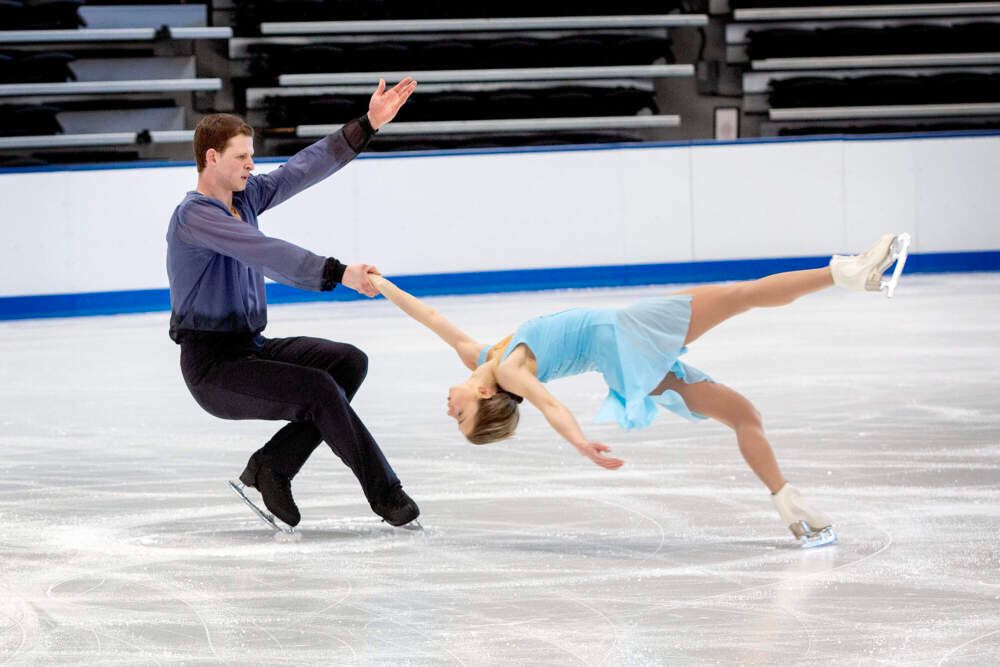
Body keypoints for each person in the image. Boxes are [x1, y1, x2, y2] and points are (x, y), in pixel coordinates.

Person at [366, 233, 911, 547]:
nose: (450, 411)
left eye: (455, 417)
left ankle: (789, 504)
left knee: (743, 414)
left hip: (629, 363)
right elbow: (551, 405)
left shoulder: (482, 357)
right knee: (740, 295)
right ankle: (845, 274)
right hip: (627, 334)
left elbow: (431, 317)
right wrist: (581, 444)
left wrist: (380, 283)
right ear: (486, 398)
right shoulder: (509, 373)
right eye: (460, 418)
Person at [166, 78, 420, 530]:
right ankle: (387, 494)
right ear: (212, 158)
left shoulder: (246, 198)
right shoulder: (195, 217)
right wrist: (338, 272)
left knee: (347, 364)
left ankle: (273, 466)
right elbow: (266, 252)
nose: (251, 164)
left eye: (251, 155)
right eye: (241, 157)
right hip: (213, 367)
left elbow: (300, 169)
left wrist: (367, 124)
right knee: (318, 390)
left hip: (251, 347)